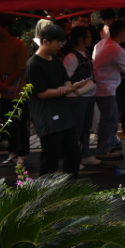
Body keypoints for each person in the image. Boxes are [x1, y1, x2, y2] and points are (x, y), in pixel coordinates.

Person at [26, 24, 89, 177]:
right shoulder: (33, 64)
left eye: (62, 43)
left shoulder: (55, 59)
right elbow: (42, 93)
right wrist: (67, 89)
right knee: (50, 159)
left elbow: (66, 80)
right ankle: (45, 189)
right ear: (45, 41)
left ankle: (69, 186)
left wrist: (68, 88)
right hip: (47, 116)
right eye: (58, 43)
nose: (60, 46)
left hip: (63, 113)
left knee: (74, 154)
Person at [0, 14, 30, 169]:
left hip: (19, 93)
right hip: (3, 92)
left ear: (6, 28)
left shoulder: (19, 45)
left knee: (21, 124)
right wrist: (1, 83)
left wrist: (5, 82)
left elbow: (22, 68)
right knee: (7, 123)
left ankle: (22, 154)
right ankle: (12, 152)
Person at [91, 19, 125, 159]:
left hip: (102, 86)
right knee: (109, 119)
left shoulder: (100, 44)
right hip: (106, 88)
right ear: (120, 33)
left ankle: (111, 142)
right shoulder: (116, 49)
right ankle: (103, 149)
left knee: (110, 117)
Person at [61, 26, 100, 167]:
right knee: (76, 128)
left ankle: (85, 154)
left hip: (88, 94)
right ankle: (73, 158)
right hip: (76, 97)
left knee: (86, 126)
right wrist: (74, 87)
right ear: (82, 39)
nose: (91, 39)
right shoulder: (71, 57)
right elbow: (65, 77)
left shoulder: (86, 53)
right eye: (89, 36)